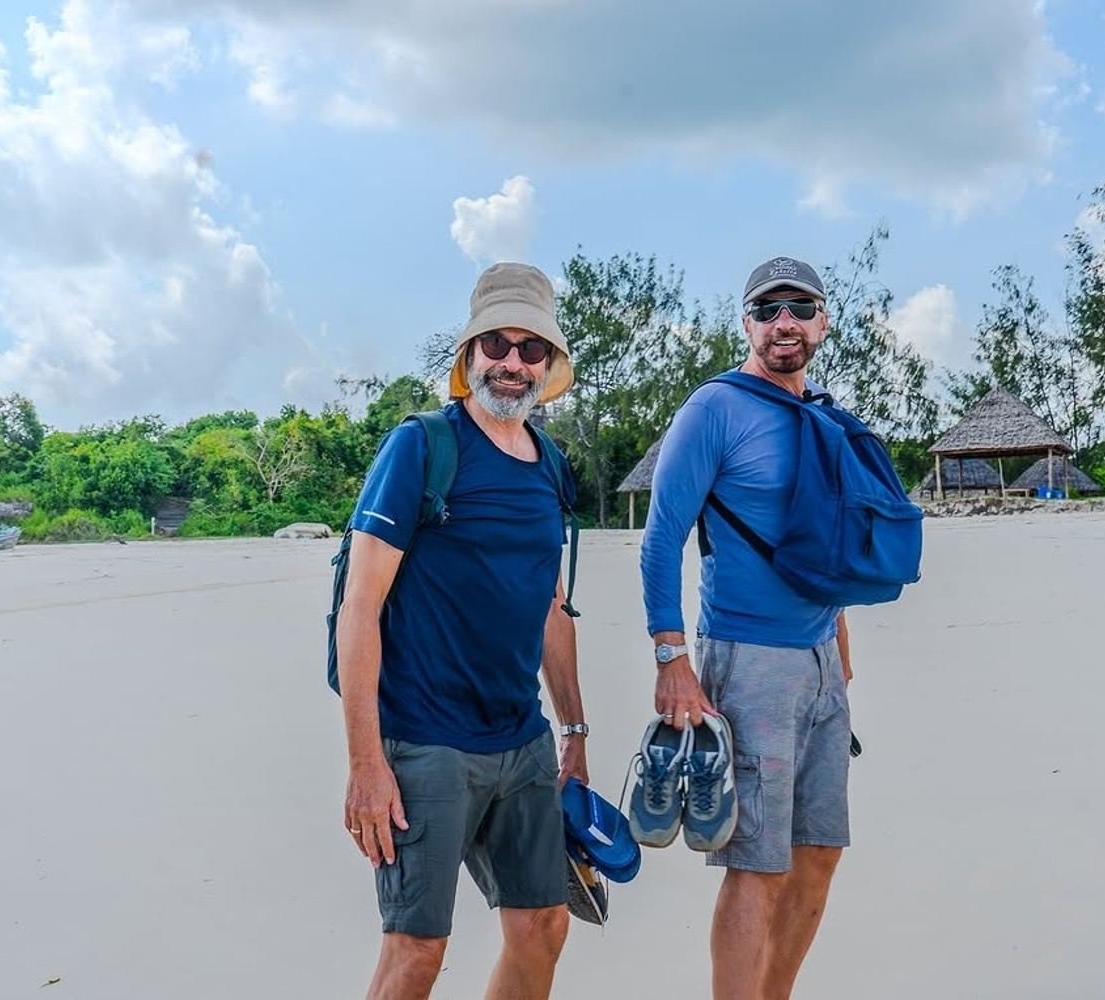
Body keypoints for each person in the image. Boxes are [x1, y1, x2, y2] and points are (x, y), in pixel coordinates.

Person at [335, 262, 589, 1000]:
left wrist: (574, 732)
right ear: (470, 353)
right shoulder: (422, 447)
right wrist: (365, 763)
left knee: (544, 928)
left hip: (522, 740)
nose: (512, 362)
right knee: (416, 950)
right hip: (425, 741)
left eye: (530, 348)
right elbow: (360, 606)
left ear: (548, 363)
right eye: (495, 344)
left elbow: (551, 607)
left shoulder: (551, 467)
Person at [640, 256, 855, 1000]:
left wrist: (839, 641)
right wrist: (672, 657)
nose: (784, 323)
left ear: (823, 322)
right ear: (747, 324)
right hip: (749, 656)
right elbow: (661, 538)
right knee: (757, 862)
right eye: (768, 310)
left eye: (800, 308)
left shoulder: (821, 412)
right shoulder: (714, 408)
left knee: (819, 851)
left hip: (821, 657)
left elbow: (821, 537)